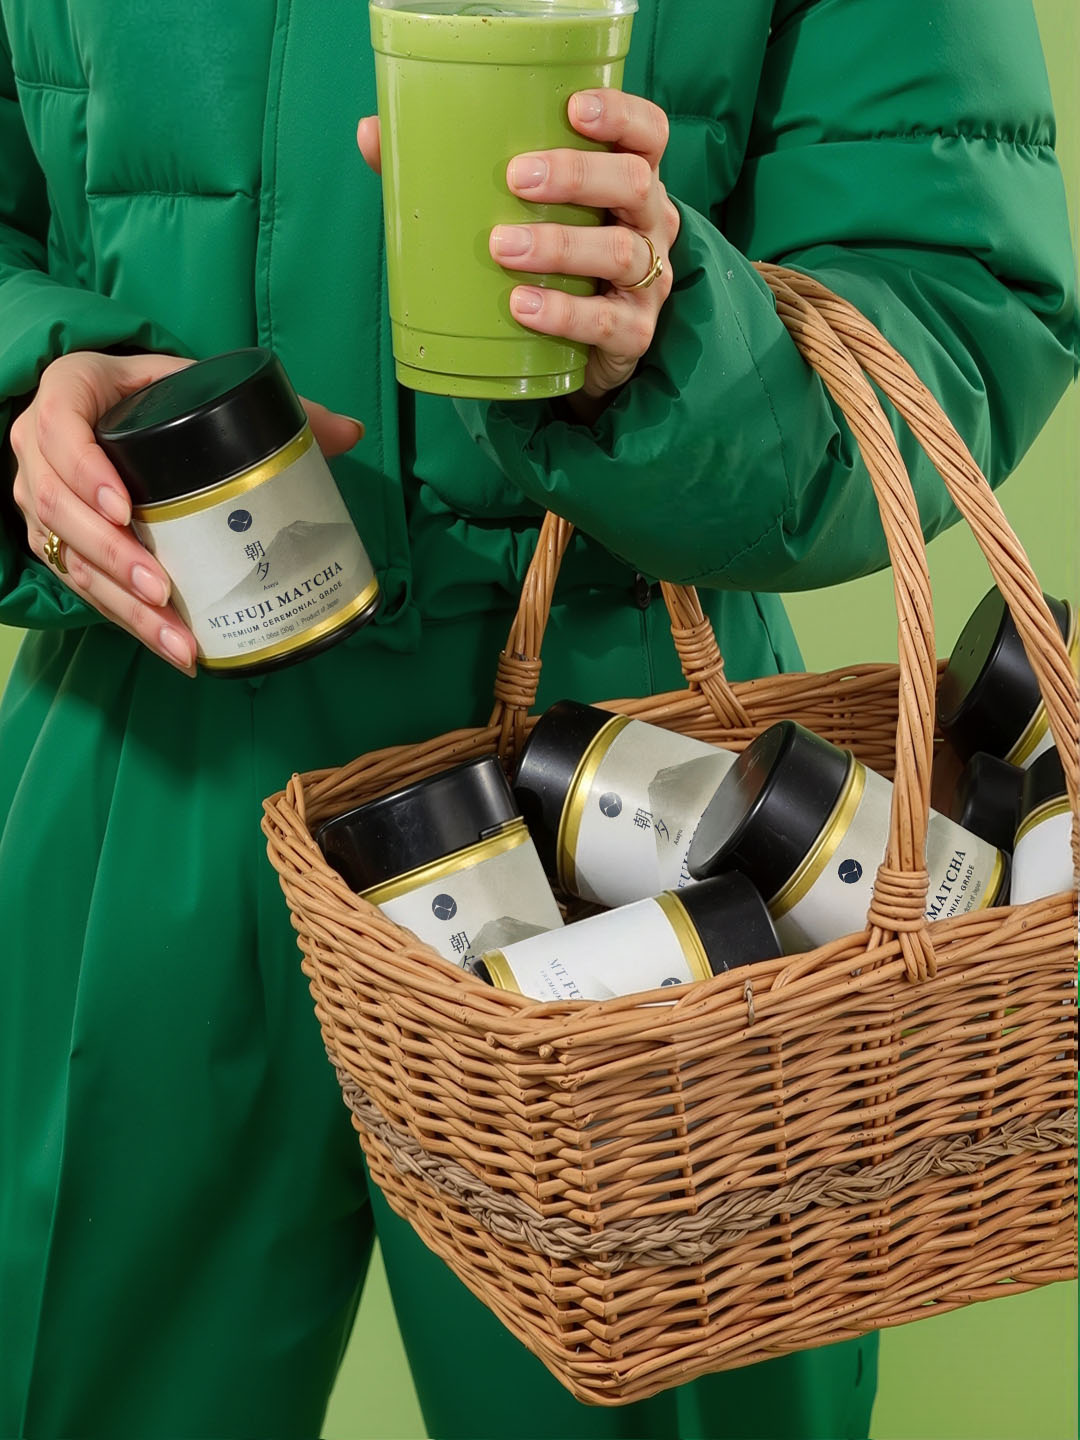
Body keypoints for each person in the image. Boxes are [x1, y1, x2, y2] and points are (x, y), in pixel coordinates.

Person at [0, 1, 1076, 1436]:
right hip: (150, 745)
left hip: (634, 786)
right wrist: (29, 389)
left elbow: (955, 276)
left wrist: (678, 329)